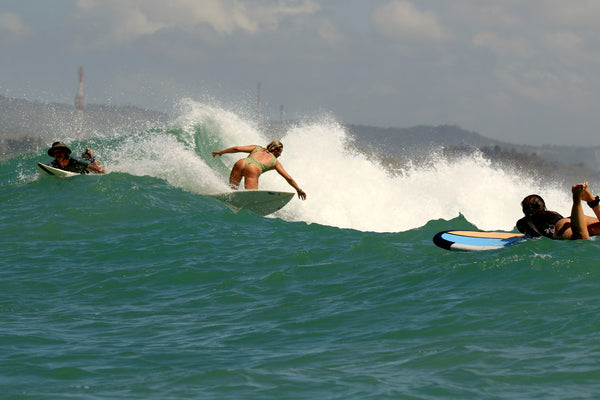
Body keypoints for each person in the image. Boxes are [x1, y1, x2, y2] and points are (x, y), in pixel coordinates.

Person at [212, 140, 306, 199]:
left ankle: (230, 202)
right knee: (251, 197)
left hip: (241, 163)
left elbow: (236, 148)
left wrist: (220, 152)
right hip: (253, 169)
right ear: (276, 151)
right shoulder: (275, 162)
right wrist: (299, 189)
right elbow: (288, 178)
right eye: (280, 153)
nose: (280, 155)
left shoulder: (256, 148)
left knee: (232, 191)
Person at [516, 182, 600, 240]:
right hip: (570, 220)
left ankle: (577, 200)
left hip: (559, 227)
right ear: (543, 206)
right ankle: (592, 201)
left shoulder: (523, 222)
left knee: (581, 238)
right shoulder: (553, 213)